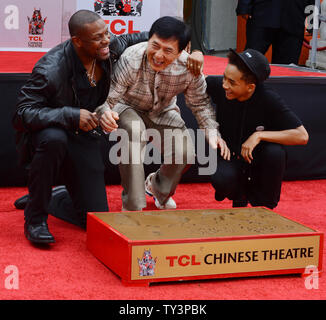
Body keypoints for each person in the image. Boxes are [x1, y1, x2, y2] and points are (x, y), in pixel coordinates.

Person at [12, 10, 205, 244]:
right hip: (53, 130)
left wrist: (192, 52)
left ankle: (48, 196)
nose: (106, 41)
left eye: (107, 33)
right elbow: (22, 114)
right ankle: (35, 218)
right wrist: (71, 115)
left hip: (84, 133)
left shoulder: (109, 46)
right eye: (98, 38)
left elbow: (156, 37)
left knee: (95, 218)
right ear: (77, 41)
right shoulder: (50, 70)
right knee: (54, 139)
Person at [96, 16, 230, 211]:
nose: (158, 55)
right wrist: (105, 113)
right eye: (155, 45)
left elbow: (199, 103)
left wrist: (211, 131)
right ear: (148, 39)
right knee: (134, 130)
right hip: (127, 107)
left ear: (182, 51)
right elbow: (108, 98)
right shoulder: (131, 58)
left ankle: (158, 189)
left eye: (168, 50)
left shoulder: (189, 68)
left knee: (186, 152)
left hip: (163, 111)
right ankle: (133, 206)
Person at [206, 48, 309, 209]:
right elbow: (192, 80)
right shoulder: (219, 86)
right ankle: (236, 194)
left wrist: (259, 136)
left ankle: (264, 207)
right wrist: (197, 54)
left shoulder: (269, 99)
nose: (225, 85)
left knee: (275, 153)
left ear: (250, 87)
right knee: (222, 179)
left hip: (257, 157)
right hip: (229, 154)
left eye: (232, 82)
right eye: (224, 78)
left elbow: (302, 136)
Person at [236, 0, 315, 64]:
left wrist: (313, 20)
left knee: (287, 67)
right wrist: (244, 7)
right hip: (262, 13)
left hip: (294, 17)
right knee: (250, 60)